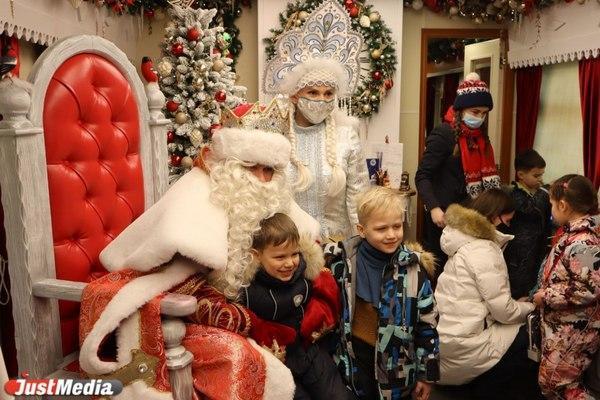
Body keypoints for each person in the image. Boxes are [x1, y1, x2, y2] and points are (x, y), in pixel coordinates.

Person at [78, 101, 320, 400]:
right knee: (238, 356)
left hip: (266, 310)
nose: (261, 179)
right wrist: (242, 320)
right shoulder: (200, 192)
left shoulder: (274, 199)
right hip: (191, 316)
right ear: (230, 165)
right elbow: (177, 278)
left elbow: (306, 249)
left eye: (269, 169)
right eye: (250, 166)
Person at [263, 0, 368, 240]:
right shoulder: (275, 139)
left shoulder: (346, 137)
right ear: (295, 96)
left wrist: (361, 244)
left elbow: (358, 198)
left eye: (328, 93)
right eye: (312, 92)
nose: (321, 99)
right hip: (287, 247)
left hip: (335, 248)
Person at [324, 186, 439, 400]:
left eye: (397, 226)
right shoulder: (342, 263)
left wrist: (426, 374)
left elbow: (427, 325)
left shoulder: (414, 268)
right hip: (353, 369)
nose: (391, 235)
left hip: (398, 373)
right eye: (381, 229)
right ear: (361, 229)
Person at [435, 188, 540, 400]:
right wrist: (531, 307)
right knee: (532, 335)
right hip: (468, 345)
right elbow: (503, 312)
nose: (508, 225)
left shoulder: (460, 240)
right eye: (507, 220)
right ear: (494, 216)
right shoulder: (484, 250)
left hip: (446, 339)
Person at [241, 213, 350, 400]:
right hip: (280, 362)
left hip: (309, 351)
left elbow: (323, 297)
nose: (290, 263)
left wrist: (320, 318)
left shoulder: (304, 274)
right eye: (280, 257)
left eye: (294, 254)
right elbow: (247, 326)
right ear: (256, 256)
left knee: (336, 394)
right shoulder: (250, 292)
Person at [415, 72, 501, 273]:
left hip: (471, 215)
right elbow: (423, 176)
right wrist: (434, 207)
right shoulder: (443, 135)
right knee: (444, 270)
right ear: (460, 110)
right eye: (475, 111)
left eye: (484, 113)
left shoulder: (481, 138)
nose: (479, 117)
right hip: (444, 217)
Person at [532, 174, 600, 400]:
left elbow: (591, 287)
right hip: (563, 326)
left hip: (574, 329)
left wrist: (547, 295)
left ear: (563, 205)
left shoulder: (583, 244)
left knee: (555, 382)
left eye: (552, 204)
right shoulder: (574, 235)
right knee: (558, 381)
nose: (551, 209)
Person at [503, 149, 552, 299]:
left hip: (538, 246)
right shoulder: (512, 193)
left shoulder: (541, 193)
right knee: (517, 283)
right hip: (517, 250)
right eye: (536, 175)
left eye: (542, 175)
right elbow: (529, 209)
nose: (540, 179)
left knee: (534, 279)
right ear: (521, 175)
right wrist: (544, 193)